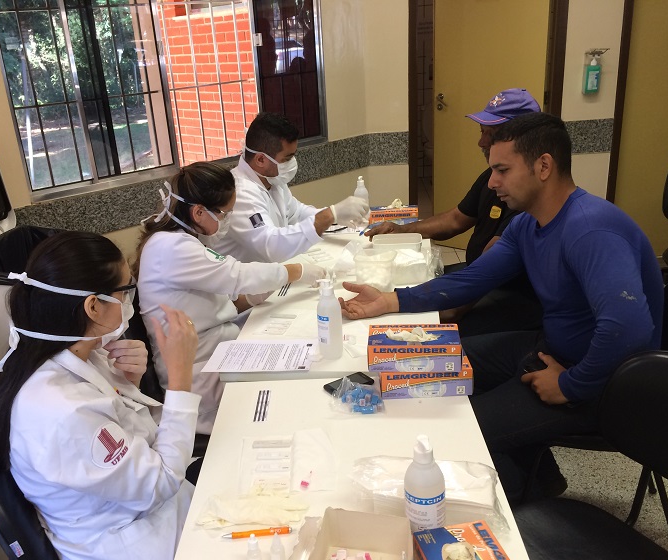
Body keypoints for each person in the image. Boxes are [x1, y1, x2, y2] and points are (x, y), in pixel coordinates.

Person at [340, 113, 664, 503]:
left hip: (601, 380)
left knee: (463, 432)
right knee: (424, 364)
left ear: (543, 166)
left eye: (502, 170)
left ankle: (523, 507)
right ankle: (540, 478)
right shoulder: (528, 225)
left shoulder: (591, 229)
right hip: (551, 350)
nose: (492, 182)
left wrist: (569, 385)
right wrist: (390, 300)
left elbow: (628, 329)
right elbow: (472, 279)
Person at [0, 231, 201, 560]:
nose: (129, 301)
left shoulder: (72, 357)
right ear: (93, 306)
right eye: (125, 291)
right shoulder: (60, 410)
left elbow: (127, 433)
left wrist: (128, 382)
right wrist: (180, 378)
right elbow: (159, 483)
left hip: (145, 511)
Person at [134, 162, 326, 434]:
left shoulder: (182, 241)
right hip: (199, 375)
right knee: (293, 390)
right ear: (198, 212)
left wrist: (249, 300)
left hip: (218, 350)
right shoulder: (172, 248)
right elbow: (236, 275)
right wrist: (296, 271)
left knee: (298, 352)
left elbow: (213, 301)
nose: (228, 221)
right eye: (225, 214)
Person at [366, 88, 544, 336]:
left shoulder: (532, 204)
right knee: (409, 284)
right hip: (477, 276)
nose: (481, 142)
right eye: (482, 132)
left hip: (506, 295)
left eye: (491, 135)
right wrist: (401, 230)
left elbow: (487, 272)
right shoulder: (492, 178)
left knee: (426, 334)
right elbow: (455, 219)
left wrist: (441, 312)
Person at [208, 112, 369, 263]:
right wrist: (330, 215)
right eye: (287, 159)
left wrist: (336, 217)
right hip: (244, 281)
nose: (292, 163)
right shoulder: (240, 193)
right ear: (261, 160)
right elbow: (271, 245)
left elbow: (296, 213)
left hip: (270, 271)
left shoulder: (273, 180)